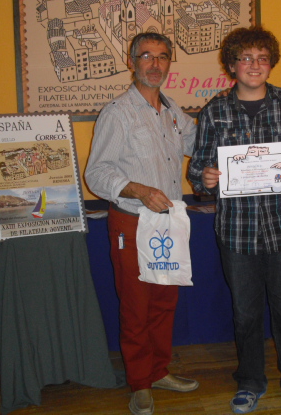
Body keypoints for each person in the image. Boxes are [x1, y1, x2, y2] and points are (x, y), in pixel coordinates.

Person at [188, 26, 281, 415]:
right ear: (232, 64)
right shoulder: (215, 110)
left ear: (271, 63)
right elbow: (198, 170)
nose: (254, 65)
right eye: (246, 58)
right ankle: (250, 382)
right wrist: (205, 179)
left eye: (262, 58)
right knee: (246, 314)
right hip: (237, 233)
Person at [85, 32, 199, 415]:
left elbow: (199, 143)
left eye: (162, 56)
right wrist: (138, 189)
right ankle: (140, 384)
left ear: (169, 63)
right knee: (136, 307)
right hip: (132, 223)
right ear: (131, 62)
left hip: (169, 223)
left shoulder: (172, 110)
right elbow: (97, 173)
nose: (155, 64)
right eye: (146, 56)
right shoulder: (118, 112)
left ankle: (158, 371)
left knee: (164, 304)